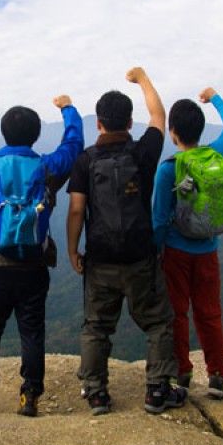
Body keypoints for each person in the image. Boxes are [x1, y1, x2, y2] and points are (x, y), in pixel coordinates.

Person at [66, 67, 185, 416]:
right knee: (158, 322)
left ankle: (96, 392)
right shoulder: (143, 153)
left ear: (98, 123)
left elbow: (76, 211)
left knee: (96, 326)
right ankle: (157, 391)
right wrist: (144, 79)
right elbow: (159, 115)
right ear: (130, 124)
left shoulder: (85, 160)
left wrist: (74, 249)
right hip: (140, 256)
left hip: (100, 258)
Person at [0, 95, 83, 417]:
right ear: (35, 134)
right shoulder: (46, 168)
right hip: (34, 264)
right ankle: (29, 397)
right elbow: (73, 147)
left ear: (4, 133)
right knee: (32, 331)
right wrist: (68, 109)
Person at [152, 87, 223, 399]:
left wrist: (156, 252)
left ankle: (183, 372)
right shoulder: (216, 154)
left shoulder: (168, 168)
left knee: (177, 313)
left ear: (172, 132)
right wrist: (215, 97)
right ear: (200, 130)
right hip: (208, 250)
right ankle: (217, 376)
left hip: (176, 253)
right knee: (209, 312)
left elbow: (159, 219)